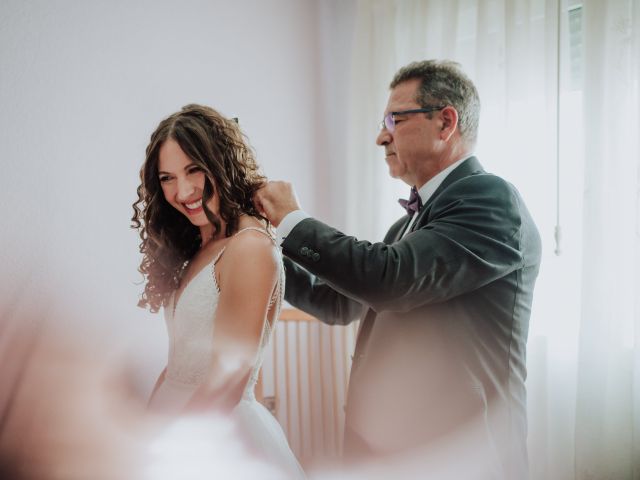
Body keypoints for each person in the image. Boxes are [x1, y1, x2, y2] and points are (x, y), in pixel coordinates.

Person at [254, 60, 542, 479]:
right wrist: (264, 248)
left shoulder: (491, 200)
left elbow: (389, 280)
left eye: (394, 118)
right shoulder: (404, 225)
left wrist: (293, 220)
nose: (380, 136)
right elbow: (336, 304)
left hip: (460, 451)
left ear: (445, 122)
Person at [132, 104, 304, 478]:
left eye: (194, 169)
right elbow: (180, 360)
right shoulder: (197, 245)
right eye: (167, 178)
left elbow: (228, 377)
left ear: (222, 163)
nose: (183, 191)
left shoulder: (249, 247)